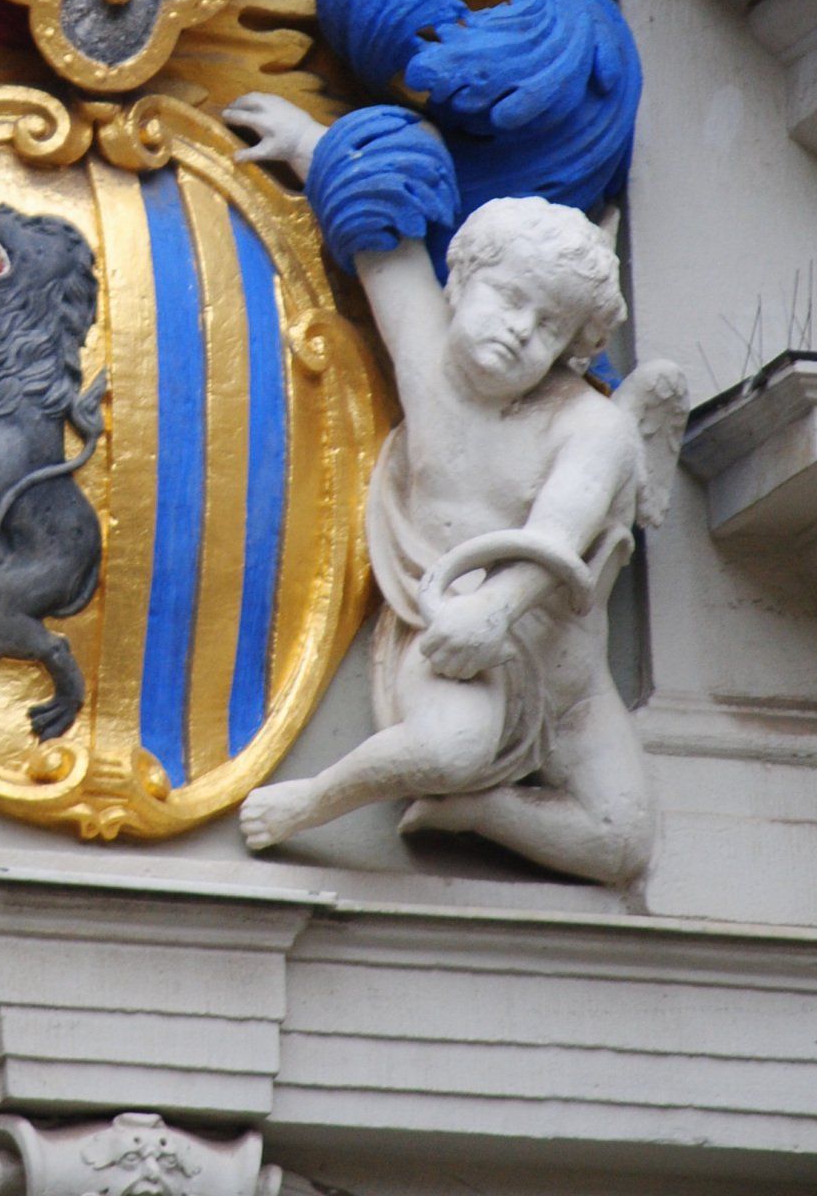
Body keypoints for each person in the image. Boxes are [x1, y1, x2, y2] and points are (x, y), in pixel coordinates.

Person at [227, 94, 684, 885]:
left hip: (559, 670)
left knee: (621, 840)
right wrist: (311, 145)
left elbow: (555, 539)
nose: (517, 329)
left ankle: (478, 810)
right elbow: (383, 249)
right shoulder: (430, 362)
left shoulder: (594, 430)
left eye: (546, 327)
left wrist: (496, 611)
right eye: (508, 299)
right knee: (450, 746)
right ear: (460, 283)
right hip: (451, 641)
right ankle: (314, 802)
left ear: (572, 351)